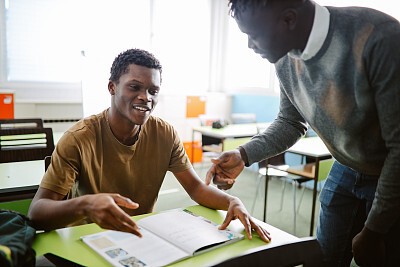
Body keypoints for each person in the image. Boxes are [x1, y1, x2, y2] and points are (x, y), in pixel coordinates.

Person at [205, 1, 400, 266]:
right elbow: (290, 121)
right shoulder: (284, 53)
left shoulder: (380, 39)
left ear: (288, 19)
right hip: (346, 167)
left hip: (390, 173)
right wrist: (244, 154)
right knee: (323, 258)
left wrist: (375, 228)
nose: (250, 45)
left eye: (254, 35)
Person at [27, 48, 270, 243]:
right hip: (89, 238)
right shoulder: (78, 138)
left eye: (153, 90)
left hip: (141, 237)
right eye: (135, 87)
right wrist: (85, 204)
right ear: (112, 87)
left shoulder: (164, 133)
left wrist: (232, 201)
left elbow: (196, 188)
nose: (146, 97)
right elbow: (36, 214)